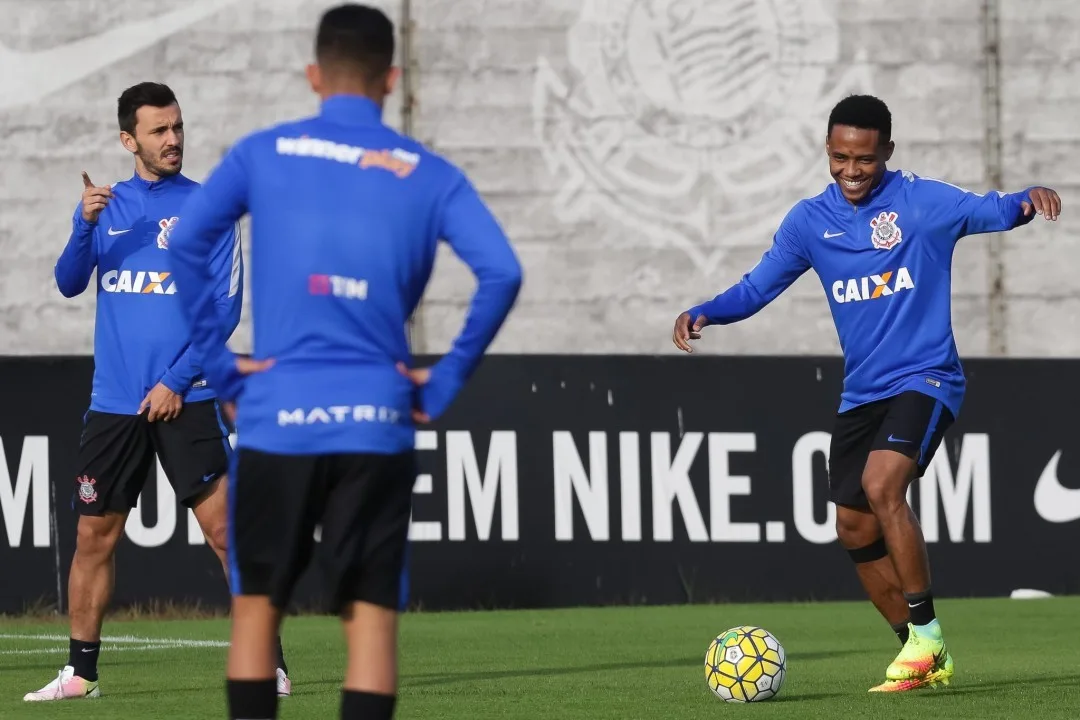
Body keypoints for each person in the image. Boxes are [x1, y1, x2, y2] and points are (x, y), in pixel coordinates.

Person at [166, 4, 523, 719]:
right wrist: (445, 378)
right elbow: (502, 273)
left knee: (257, 611)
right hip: (375, 418)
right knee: (368, 621)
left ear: (312, 76)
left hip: (277, 418)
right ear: (390, 78)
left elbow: (183, 246)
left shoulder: (262, 153)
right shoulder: (429, 173)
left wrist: (221, 366)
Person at [674, 94, 1061, 693]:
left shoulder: (922, 202)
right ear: (828, 151)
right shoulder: (809, 221)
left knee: (884, 485)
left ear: (886, 152)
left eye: (864, 158)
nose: (851, 170)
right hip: (863, 393)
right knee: (853, 527)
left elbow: (994, 209)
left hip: (927, 378)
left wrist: (1028, 201)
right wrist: (706, 312)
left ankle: (927, 635)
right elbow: (757, 286)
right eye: (839, 157)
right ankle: (920, 655)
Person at [25, 82, 292, 702]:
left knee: (227, 533)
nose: (173, 140)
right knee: (95, 537)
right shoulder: (107, 205)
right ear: (129, 140)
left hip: (189, 396)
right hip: (115, 403)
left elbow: (225, 309)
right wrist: (82, 220)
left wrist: (176, 380)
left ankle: (268, 662)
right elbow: (68, 282)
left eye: (177, 127)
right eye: (158, 131)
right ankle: (80, 675)